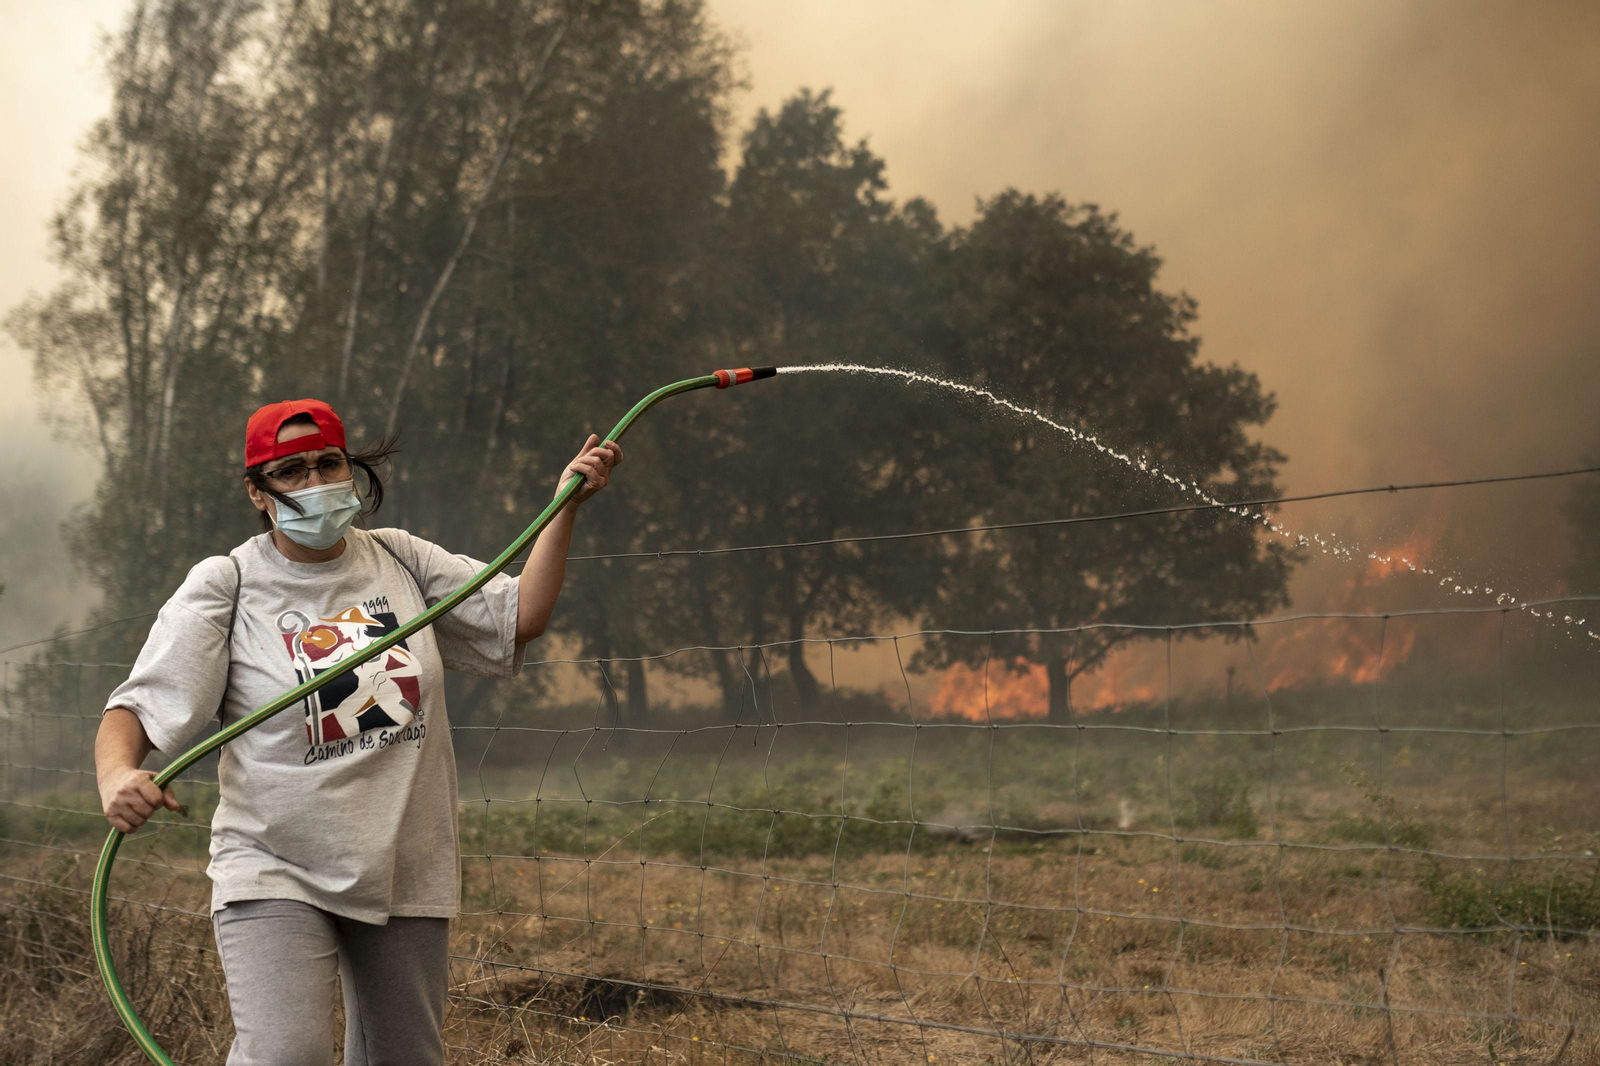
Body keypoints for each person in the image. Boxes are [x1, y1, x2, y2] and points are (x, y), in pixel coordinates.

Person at [94, 397, 622, 1066]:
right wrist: (117, 775)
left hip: (404, 860)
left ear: (351, 469)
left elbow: (519, 616)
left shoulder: (399, 558)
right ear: (257, 491)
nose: (315, 482)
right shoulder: (229, 585)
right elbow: (138, 708)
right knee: (288, 1055)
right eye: (290, 472)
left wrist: (565, 505)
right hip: (277, 864)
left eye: (328, 464)